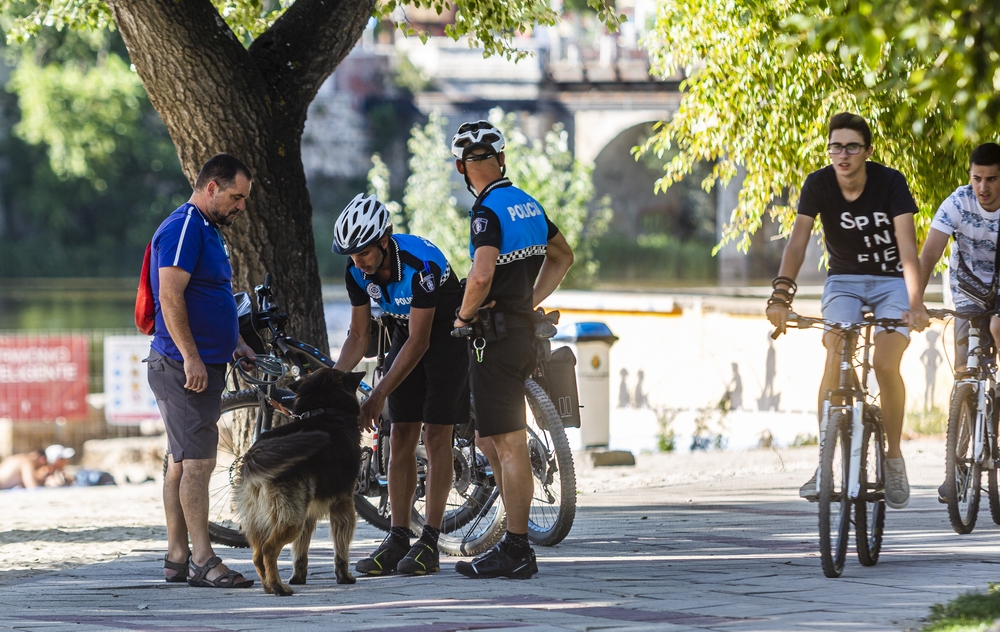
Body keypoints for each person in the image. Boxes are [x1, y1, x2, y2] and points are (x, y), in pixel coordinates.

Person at [766, 112, 928, 509]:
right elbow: (797, 244)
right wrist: (781, 296)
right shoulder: (818, 184)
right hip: (844, 282)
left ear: (867, 151)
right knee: (836, 352)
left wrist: (915, 301)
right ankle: (825, 466)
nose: (843, 155)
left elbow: (908, 249)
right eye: (835, 146)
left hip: (891, 281)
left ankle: (892, 456)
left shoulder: (890, 183)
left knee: (886, 363)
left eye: (852, 147)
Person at [449, 120, 575, 578]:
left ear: (462, 167)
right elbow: (564, 255)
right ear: (500, 160)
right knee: (488, 438)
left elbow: (480, 276)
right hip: (523, 331)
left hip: (494, 339)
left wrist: (462, 318)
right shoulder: (528, 204)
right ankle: (513, 536)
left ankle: (517, 548)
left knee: (508, 444)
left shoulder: (486, 213)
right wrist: (531, 300)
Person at [331, 193, 469, 577]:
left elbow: (422, 342)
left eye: (363, 252)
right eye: (351, 253)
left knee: (437, 435)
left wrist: (378, 395)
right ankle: (397, 535)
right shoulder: (356, 271)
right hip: (405, 331)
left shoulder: (420, 265)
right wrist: (331, 381)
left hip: (443, 334)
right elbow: (358, 337)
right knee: (401, 437)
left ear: (384, 239)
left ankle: (430, 540)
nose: (357, 260)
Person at [146, 153, 256, 588]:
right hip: (183, 367)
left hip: (197, 363)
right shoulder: (186, 225)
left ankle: (177, 556)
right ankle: (203, 561)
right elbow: (170, 296)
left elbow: (212, 296)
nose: (241, 206)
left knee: (180, 462)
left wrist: (237, 343)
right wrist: (192, 357)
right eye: (236, 196)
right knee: (198, 464)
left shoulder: (207, 229)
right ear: (211, 187)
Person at [915, 142, 1000, 502]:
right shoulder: (958, 202)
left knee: (997, 326)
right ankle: (958, 472)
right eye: (977, 178)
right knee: (965, 375)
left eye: (993, 179)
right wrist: (914, 301)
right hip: (965, 289)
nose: (983, 187)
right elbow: (930, 253)